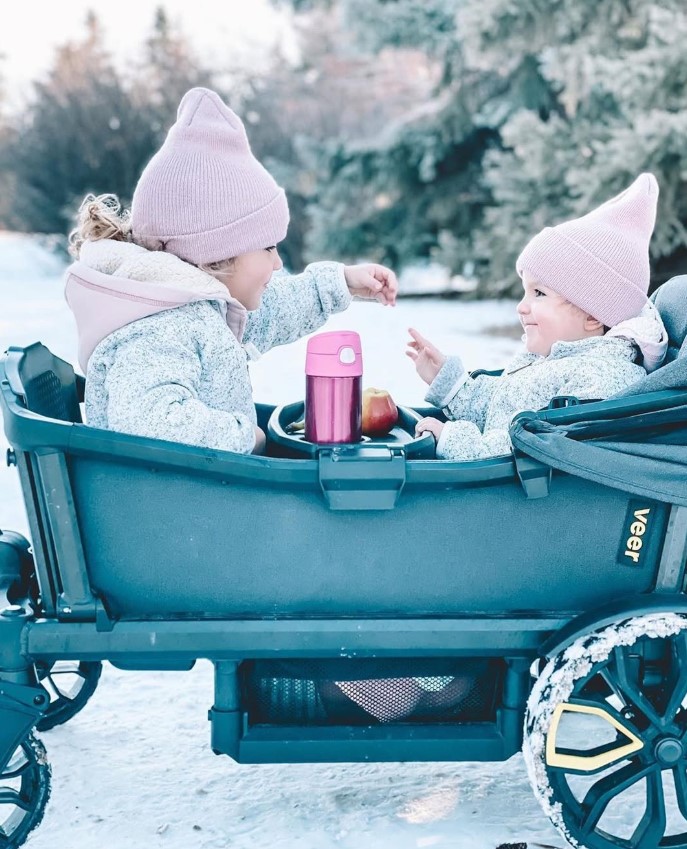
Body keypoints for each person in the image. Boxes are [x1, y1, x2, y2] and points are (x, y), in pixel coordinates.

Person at [65, 87, 397, 455]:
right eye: (268, 247)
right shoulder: (157, 328)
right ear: (216, 255)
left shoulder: (197, 311)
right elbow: (152, 424)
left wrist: (341, 283)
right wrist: (245, 437)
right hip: (177, 508)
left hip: (202, 501)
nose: (277, 262)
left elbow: (271, 311)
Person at [409, 172, 668, 461]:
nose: (521, 306)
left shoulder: (601, 379)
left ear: (594, 316)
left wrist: (452, 440)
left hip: (522, 501)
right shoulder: (551, 360)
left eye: (539, 294)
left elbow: (534, 449)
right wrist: (450, 383)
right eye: (525, 292)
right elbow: (500, 406)